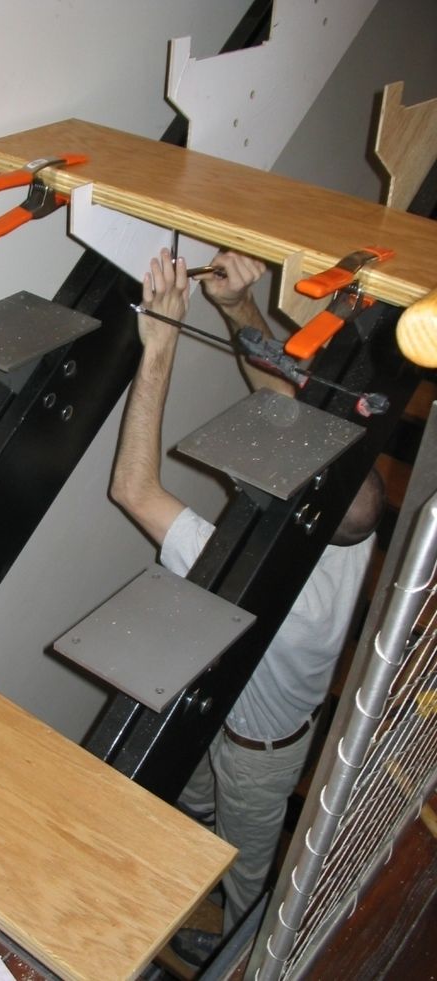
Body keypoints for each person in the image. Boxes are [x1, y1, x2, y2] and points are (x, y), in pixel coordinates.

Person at [110, 248, 383, 966]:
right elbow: (289, 416)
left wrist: (161, 343)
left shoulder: (262, 578)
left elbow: (134, 490)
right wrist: (239, 311)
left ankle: (236, 929)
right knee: (194, 795)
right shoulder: (353, 533)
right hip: (222, 706)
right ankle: (192, 834)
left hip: (262, 757)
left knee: (248, 860)